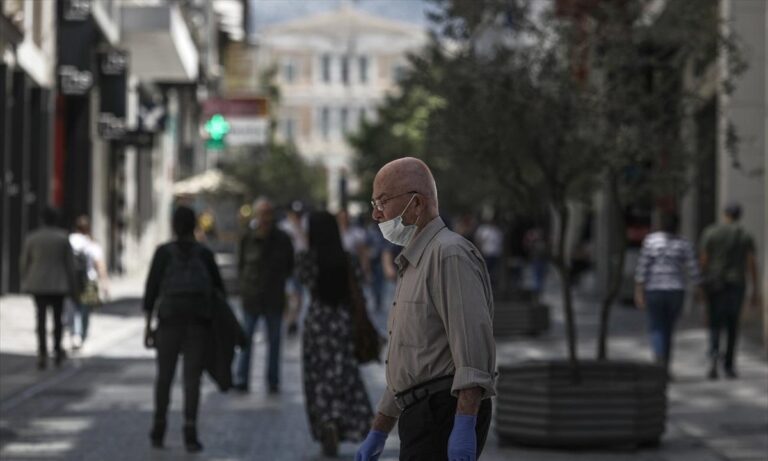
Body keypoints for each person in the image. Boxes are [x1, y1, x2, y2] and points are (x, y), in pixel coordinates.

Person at [356, 157, 496, 461]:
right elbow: (409, 361)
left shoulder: (449, 255)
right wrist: (379, 430)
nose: (375, 213)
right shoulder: (414, 261)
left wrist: (464, 424)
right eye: (373, 202)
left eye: (382, 201)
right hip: (420, 415)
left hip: (442, 414)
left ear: (416, 204)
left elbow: (472, 350)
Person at [143, 205, 226, 452]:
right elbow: (219, 292)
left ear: (173, 225)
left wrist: (148, 327)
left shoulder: (163, 253)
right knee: (192, 380)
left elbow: (151, 292)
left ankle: (158, 428)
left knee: (164, 378)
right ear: (195, 226)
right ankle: (190, 431)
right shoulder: (204, 254)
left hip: (169, 322)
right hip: (197, 325)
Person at [297, 211, 374, 457]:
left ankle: (326, 421)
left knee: (318, 376)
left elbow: (305, 282)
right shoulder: (346, 258)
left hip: (318, 322)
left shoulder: (307, 259)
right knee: (342, 373)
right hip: (342, 321)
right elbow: (359, 282)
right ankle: (347, 419)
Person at [235, 198, 294, 393]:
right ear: (256, 215)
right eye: (262, 213)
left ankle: (273, 380)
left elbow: (289, 267)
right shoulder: (247, 238)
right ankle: (242, 378)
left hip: (273, 298)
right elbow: (241, 265)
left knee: (275, 341)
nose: (265, 218)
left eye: (268, 213)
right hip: (251, 297)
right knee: (246, 340)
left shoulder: (282, 239)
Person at [699, 202, 761, 379]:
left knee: (715, 324)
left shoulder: (711, 232)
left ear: (725, 214)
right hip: (736, 284)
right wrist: (755, 289)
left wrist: (700, 283)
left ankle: (713, 360)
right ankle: (729, 365)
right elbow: (751, 263)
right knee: (733, 325)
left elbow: (703, 259)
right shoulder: (745, 235)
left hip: (715, 283)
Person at [634, 212, 700, 376]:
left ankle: (659, 360)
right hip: (675, 290)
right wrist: (698, 288)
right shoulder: (683, 243)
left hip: (654, 289)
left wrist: (639, 291)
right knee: (668, 328)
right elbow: (693, 269)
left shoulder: (651, 241)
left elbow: (642, 268)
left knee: (657, 326)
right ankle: (665, 365)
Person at [20, 206, 78, 369]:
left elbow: (24, 262)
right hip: (58, 285)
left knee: (40, 319)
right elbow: (70, 265)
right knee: (58, 319)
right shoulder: (63, 238)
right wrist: (73, 287)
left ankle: (42, 352)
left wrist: (25, 280)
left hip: (38, 284)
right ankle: (57, 350)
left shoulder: (33, 238)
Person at [69, 215, 109, 349]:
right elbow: (100, 266)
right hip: (89, 281)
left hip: (72, 281)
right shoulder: (92, 244)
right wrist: (105, 286)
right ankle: (82, 335)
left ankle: (75, 334)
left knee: (73, 309)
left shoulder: (70, 241)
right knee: (85, 310)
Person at [474, 217, 504, 290]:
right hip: (486, 254)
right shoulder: (483, 229)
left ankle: (491, 287)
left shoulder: (497, 231)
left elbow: (500, 242)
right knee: (485, 271)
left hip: (495, 254)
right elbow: (478, 240)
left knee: (492, 272)